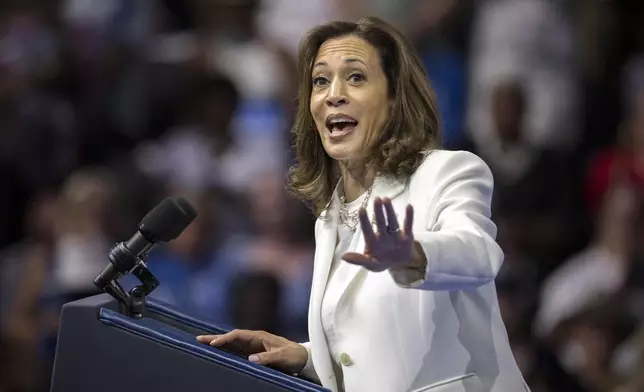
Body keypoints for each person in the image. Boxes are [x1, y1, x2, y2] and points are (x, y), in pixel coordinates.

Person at [197, 16, 529, 392]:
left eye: (355, 77)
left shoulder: (446, 171)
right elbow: (366, 349)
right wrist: (307, 357)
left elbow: (479, 255)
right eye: (321, 81)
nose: (333, 94)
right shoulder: (329, 218)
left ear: (394, 99)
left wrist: (412, 253)